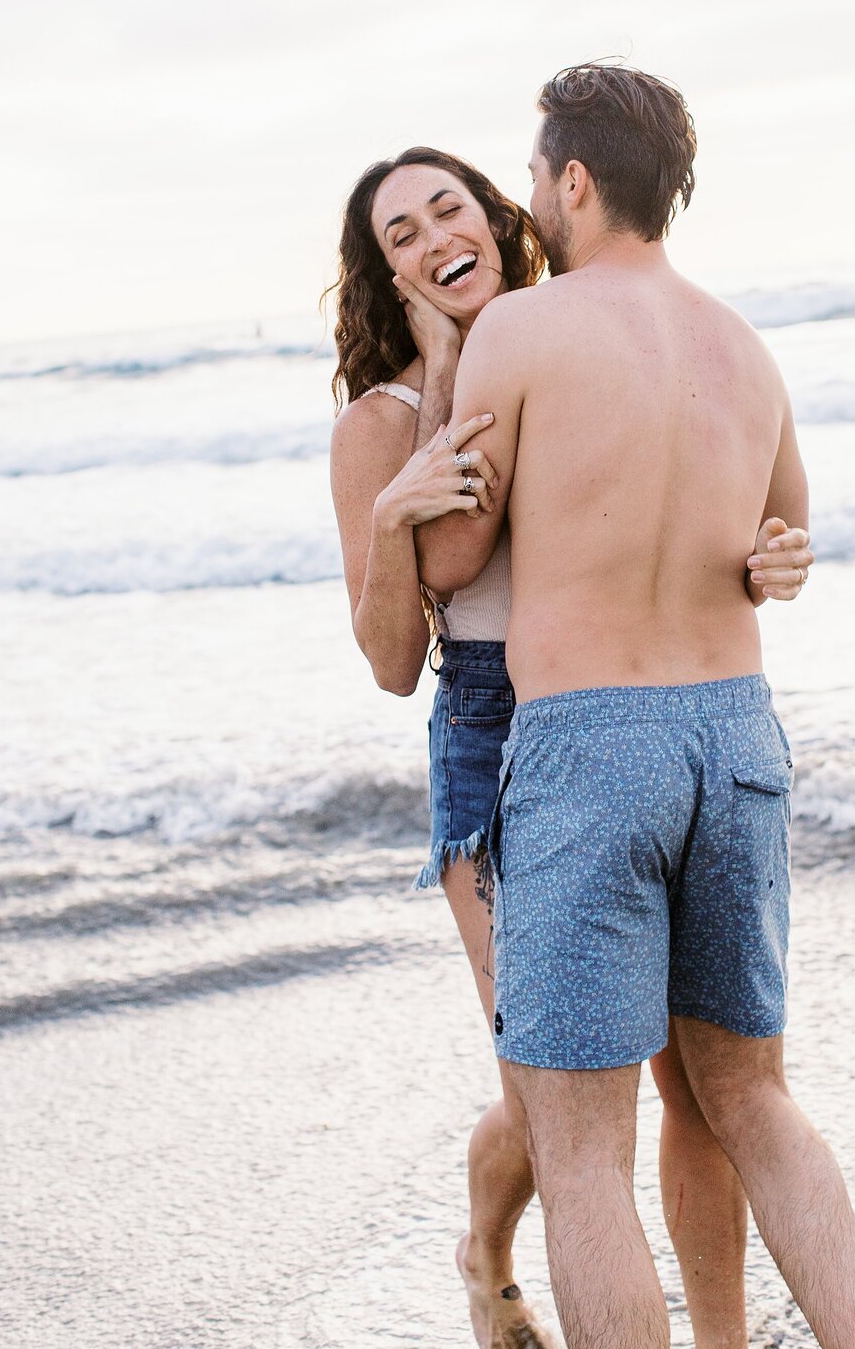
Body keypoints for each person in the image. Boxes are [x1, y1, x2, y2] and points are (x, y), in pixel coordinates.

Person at [417, 67, 855, 1349]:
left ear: (574, 181)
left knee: (581, 1154)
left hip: (590, 743)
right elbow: (783, 542)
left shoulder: (523, 331)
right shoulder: (745, 344)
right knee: (754, 1100)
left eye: (532, 176)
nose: (524, 199)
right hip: (736, 732)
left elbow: (453, 562)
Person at [327, 145, 815, 1349]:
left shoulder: (565, 336)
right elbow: (392, 660)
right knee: (548, 1103)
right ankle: (487, 1260)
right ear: (385, 277)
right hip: (491, 727)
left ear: (503, 217)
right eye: (401, 234)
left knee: (692, 1087)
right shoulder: (378, 422)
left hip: (618, 712)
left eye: (451, 207)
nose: (436, 236)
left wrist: (775, 549)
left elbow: (698, 491)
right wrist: (412, 457)